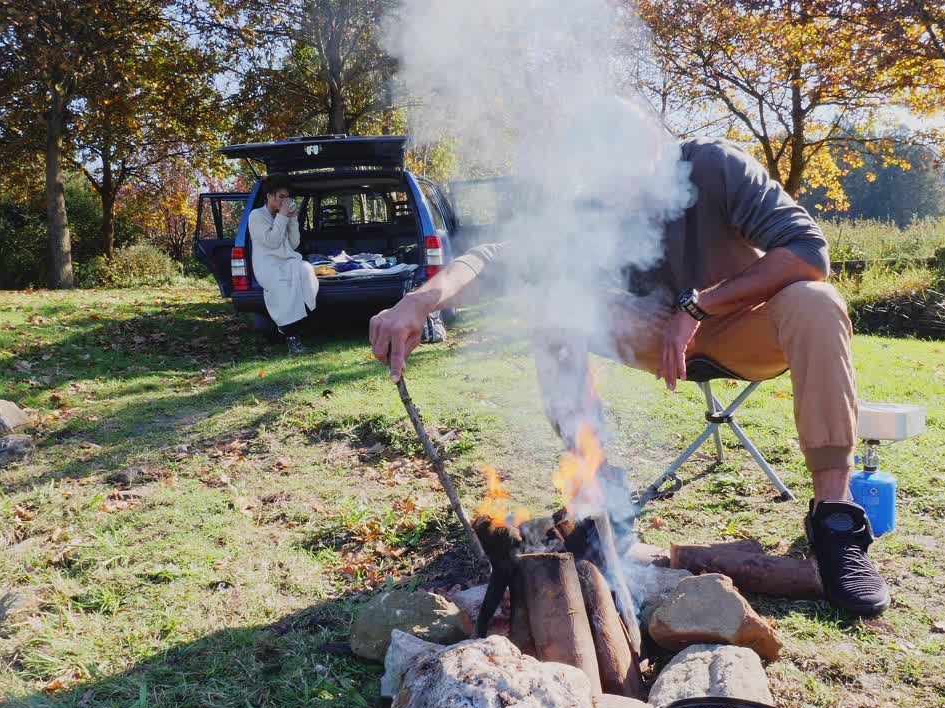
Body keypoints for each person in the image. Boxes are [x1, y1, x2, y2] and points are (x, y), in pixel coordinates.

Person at [368, 138, 890, 617]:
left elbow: (808, 252)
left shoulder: (716, 166)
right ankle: (600, 500)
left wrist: (699, 306)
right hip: (654, 331)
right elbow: (494, 257)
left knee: (817, 301)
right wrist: (418, 301)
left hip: (744, 320)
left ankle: (835, 521)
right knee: (555, 306)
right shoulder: (593, 203)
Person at [248, 175, 319, 355]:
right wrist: (282, 216)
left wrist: (293, 219)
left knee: (305, 270)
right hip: (268, 266)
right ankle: (291, 337)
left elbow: (294, 244)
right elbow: (272, 242)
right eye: (281, 197)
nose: (284, 201)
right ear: (270, 196)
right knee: (283, 285)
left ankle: (306, 319)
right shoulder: (256, 216)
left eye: (287, 197)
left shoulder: (283, 216)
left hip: (287, 261)